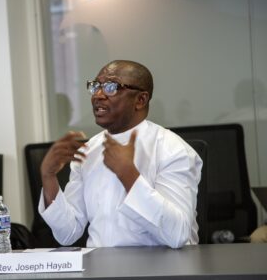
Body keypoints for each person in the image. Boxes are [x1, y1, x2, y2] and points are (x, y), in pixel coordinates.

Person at [38, 60, 203, 249]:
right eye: (95, 86)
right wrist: (48, 177)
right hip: (101, 270)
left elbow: (178, 234)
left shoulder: (172, 149)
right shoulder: (89, 151)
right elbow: (68, 233)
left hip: (162, 271)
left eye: (110, 87)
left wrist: (128, 174)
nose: (98, 96)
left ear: (140, 100)